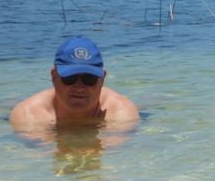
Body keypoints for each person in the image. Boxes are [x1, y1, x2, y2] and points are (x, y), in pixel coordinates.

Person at [10, 36, 139, 132]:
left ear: (102, 79)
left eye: (89, 78)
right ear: (54, 76)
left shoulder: (122, 112)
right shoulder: (29, 115)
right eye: (70, 77)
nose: (79, 86)